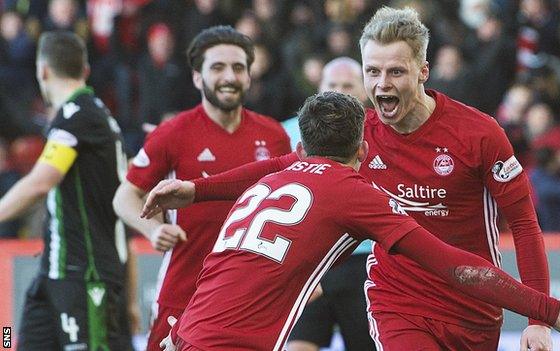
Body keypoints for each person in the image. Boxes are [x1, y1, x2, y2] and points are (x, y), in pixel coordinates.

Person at [147, 92, 560, 351]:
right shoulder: (350, 191)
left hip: (186, 332)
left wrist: (196, 188)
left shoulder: (275, 178)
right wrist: (551, 311)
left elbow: (266, 173)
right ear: (362, 150)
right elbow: (457, 265)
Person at [112, 25, 291, 351]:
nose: (229, 76)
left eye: (238, 68)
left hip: (249, 296)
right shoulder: (174, 133)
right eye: (217, 67)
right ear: (197, 77)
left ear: (249, 76)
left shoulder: (275, 135)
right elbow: (124, 196)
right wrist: (152, 230)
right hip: (184, 291)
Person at [0, 31, 129, 350]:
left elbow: (40, 182)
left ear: (43, 71)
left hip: (86, 275)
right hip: (55, 272)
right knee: (16, 339)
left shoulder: (79, 115)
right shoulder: (89, 115)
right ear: (84, 70)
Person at [283, 57, 375, 351]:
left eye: (348, 85)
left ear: (364, 91)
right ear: (318, 88)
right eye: (332, 85)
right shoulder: (286, 132)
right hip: (309, 257)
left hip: (362, 260)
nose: (339, 92)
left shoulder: (382, 133)